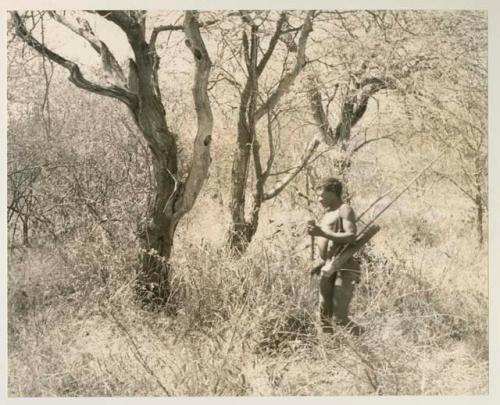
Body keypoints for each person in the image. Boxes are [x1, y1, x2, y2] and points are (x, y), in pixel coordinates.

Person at [307, 177, 363, 335]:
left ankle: (367, 343)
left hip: (344, 267)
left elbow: (351, 236)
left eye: (322, 195)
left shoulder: (344, 209)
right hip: (328, 267)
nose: (319, 199)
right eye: (317, 196)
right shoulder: (328, 213)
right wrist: (320, 263)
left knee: (339, 317)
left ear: (333, 193)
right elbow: (329, 243)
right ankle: (329, 353)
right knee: (324, 317)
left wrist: (321, 232)